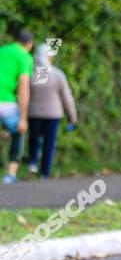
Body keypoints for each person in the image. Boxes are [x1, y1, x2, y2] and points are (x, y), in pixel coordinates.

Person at [28, 43, 77, 178]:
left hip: (33, 113)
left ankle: (32, 162)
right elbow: (67, 97)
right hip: (52, 114)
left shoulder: (29, 73)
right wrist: (72, 117)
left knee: (34, 139)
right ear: (48, 57)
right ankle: (44, 173)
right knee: (48, 144)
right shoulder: (57, 74)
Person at [0, 29, 34, 184]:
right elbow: (23, 89)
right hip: (6, 102)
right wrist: (23, 118)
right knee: (19, 132)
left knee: (9, 128)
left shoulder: (3, 51)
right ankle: (10, 174)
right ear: (29, 45)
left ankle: (6, 128)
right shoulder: (25, 57)